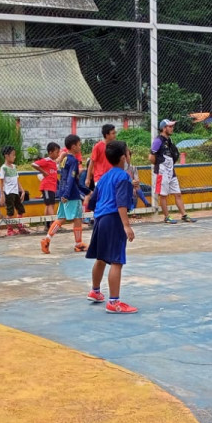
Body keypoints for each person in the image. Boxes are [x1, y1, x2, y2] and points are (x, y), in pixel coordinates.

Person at [86, 139, 138, 313]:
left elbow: (92, 201)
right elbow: (121, 203)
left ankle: (95, 291)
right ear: (123, 157)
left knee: (101, 258)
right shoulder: (124, 177)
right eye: (128, 152)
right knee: (117, 260)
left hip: (100, 219)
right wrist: (126, 225)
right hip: (114, 219)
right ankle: (114, 302)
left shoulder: (104, 177)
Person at [41, 134, 86, 254]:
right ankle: (78, 244)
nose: (80, 147)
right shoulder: (73, 161)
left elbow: (64, 177)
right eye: (79, 145)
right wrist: (66, 194)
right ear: (73, 146)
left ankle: (47, 239)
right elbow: (71, 178)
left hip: (63, 192)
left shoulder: (64, 159)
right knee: (77, 218)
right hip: (71, 194)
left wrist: (62, 193)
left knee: (61, 218)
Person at [151, 119, 194, 223]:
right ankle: (167, 217)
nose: (172, 128)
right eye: (169, 126)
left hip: (171, 171)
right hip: (162, 172)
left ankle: (184, 215)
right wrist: (160, 165)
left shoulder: (169, 140)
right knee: (163, 195)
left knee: (178, 193)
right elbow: (151, 157)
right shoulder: (158, 141)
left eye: (172, 126)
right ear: (163, 128)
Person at [0, 146, 29, 235]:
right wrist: (2, 195)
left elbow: (17, 180)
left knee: (20, 209)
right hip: (8, 193)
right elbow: (1, 181)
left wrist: (22, 191)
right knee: (10, 212)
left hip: (16, 192)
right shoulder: (3, 168)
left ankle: (20, 228)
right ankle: (10, 230)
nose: (14, 157)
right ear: (6, 156)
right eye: (12, 155)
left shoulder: (14, 167)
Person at [32, 143, 60, 219]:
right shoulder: (46, 160)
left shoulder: (54, 162)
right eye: (56, 152)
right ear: (50, 152)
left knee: (51, 205)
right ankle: (53, 223)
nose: (58, 154)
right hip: (47, 186)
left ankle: (47, 224)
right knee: (49, 204)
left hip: (52, 187)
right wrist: (43, 172)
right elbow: (34, 164)